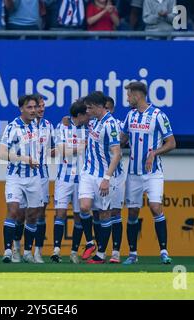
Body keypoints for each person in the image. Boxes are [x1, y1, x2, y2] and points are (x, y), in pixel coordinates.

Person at [120, 81, 176, 265]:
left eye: (129, 95)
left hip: (153, 172)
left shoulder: (158, 115)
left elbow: (171, 143)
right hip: (133, 173)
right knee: (133, 212)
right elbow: (122, 139)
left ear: (138, 95)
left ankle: (164, 252)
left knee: (155, 207)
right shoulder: (130, 116)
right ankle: (133, 254)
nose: (127, 98)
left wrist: (154, 152)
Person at [78, 91, 122, 264]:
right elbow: (77, 117)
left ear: (98, 107)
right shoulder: (94, 121)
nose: (87, 110)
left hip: (103, 175)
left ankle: (101, 254)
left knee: (105, 214)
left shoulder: (110, 124)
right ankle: (91, 242)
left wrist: (106, 178)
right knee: (84, 207)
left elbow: (117, 154)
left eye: (90, 107)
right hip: (88, 172)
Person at [0, 94, 42, 264]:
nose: (33, 110)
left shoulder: (37, 126)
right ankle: (9, 250)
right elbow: (1, 153)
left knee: (32, 215)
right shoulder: (12, 127)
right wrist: (25, 159)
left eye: (35, 107)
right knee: (14, 211)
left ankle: (27, 252)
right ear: (21, 109)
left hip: (34, 178)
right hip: (15, 177)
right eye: (29, 107)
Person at [51, 98, 90, 264]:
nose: (89, 117)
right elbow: (60, 150)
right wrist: (81, 147)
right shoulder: (62, 126)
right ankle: (56, 250)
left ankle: (74, 251)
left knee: (78, 215)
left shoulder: (90, 127)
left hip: (82, 179)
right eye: (86, 114)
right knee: (59, 212)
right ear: (79, 115)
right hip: (64, 177)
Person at [103, 95, 125, 264]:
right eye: (106, 108)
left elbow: (121, 146)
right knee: (101, 212)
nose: (108, 111)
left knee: (116, 212)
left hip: (116, 175)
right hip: (98, 175)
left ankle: (116, 251)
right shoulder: (94, 124)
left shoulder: (117, 125)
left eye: (110, 108)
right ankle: (100, 250)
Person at [32, 96, 55, 263]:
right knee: (23, 213)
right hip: (26, 175)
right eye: (39, 106)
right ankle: (18, 249)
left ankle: (38, 251)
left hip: (43, 175)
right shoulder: (24, 125)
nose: (41, 109)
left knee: (41, 213)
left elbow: (53, 149)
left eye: (43, 106)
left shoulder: (48, 126)